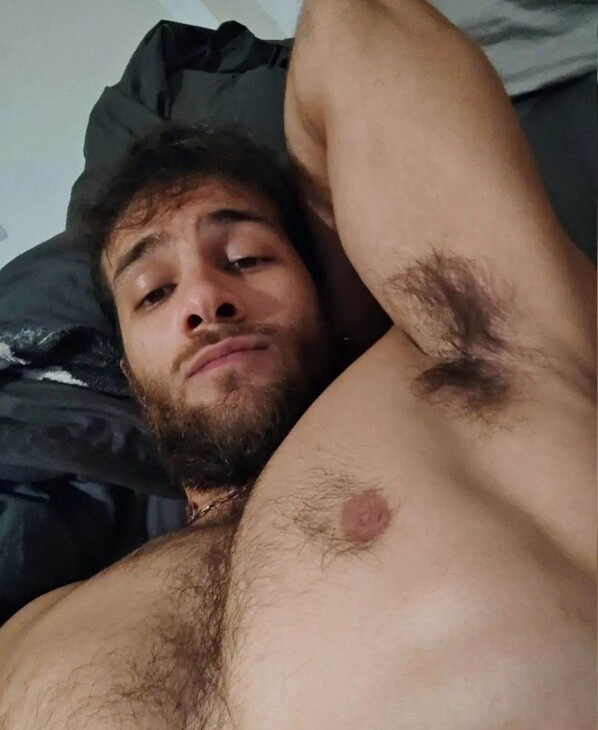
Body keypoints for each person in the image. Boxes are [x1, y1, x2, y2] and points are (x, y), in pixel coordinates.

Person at [0, 0, 595, 727]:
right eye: (154, 292)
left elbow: (356, 20)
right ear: (126, 374)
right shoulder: (26, 636)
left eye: (247, 258)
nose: (205, 299)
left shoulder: (474, 373)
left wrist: (350, 313)